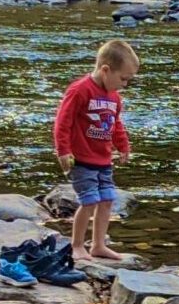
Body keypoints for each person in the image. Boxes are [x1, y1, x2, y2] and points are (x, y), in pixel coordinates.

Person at [53, 39, 138, 262]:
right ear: (105, 70)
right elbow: (63, 122)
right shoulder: (80, 90)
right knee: (89, 201)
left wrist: (123, 145)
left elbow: (115, 124)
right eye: (123, 79)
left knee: (107, 199)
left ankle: (99, 245)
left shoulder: (114, 98)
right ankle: (77, 245)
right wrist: (63, 150)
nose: (125, 84)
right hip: (80, 159)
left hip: (103, 159)